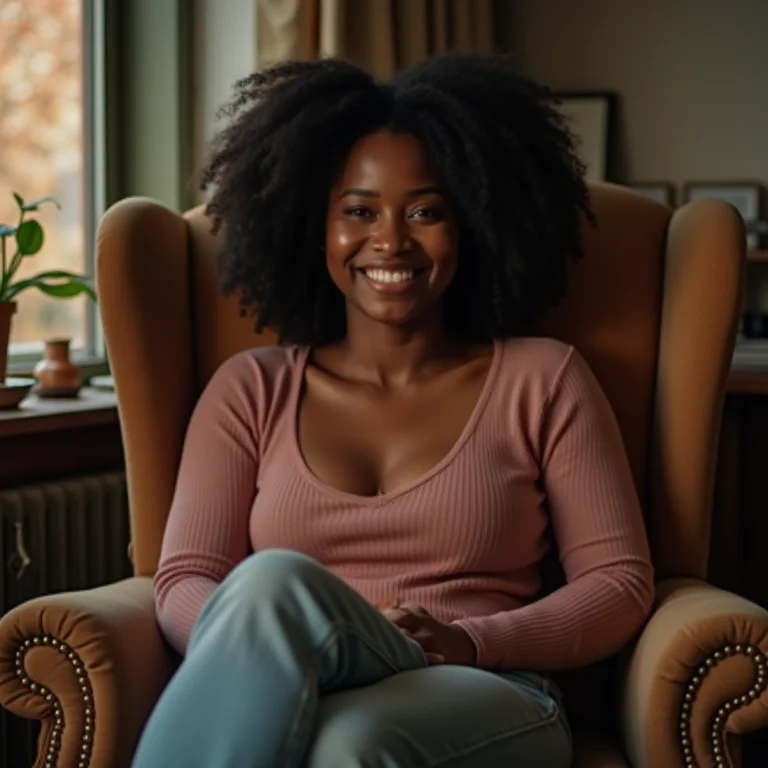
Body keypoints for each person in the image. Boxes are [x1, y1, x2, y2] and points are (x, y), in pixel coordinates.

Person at [132, 53, 654, 768]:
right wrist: (293, 660)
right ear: (314, 227)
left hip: (487, 688)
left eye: (425, 211)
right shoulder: (250, 390)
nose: (391, 241)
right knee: (280, 601)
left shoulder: (543, 379)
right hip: (314, 684)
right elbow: (183, 580)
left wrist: (471, 640)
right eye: (359, 211)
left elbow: (618, 584)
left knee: (354, 740)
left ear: (471, 224)